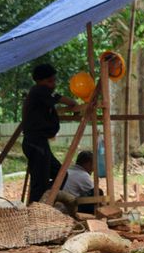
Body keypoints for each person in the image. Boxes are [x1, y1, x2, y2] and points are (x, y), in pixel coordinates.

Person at [21, 63, 78, 203]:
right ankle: (37, 210)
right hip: (35, 143)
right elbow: (66, 100)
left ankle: (45, 201)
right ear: (39, 81)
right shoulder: (40, 90)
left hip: (38, 143)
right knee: (40, 183)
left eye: (54, 80)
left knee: (60, 174)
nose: (53, 84)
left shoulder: (40, 94)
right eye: (50, 81)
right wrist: (75, 104)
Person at [56, 151, 98, 216]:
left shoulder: (68, 171)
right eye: (93, 165)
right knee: (98, 192)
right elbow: (95, 194)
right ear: (88, 163)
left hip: (57, 206)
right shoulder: (83, 175)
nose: (93, 168)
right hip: (67, 208)